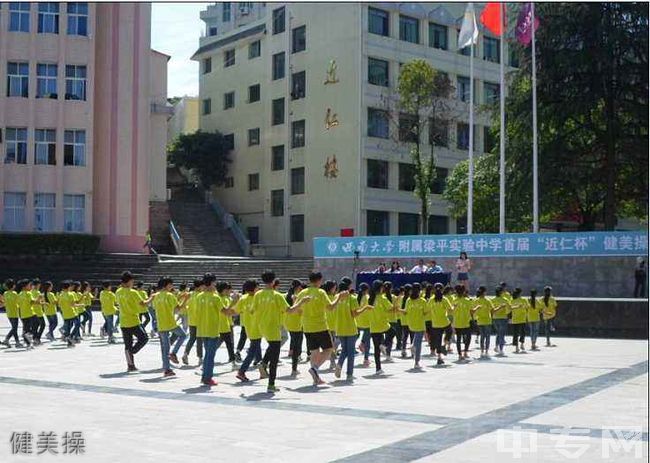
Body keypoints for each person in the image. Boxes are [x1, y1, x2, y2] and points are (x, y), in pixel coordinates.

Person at [255, 270, 309, 393]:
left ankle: (263, 363)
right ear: (273, 281)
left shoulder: (258, 295)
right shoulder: (277, 295)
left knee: (273, 347)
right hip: (274, 327)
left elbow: (253, 310)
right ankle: (271, 384)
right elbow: (290, 310)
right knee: (274, 358)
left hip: (263, 327)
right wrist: (301, 301)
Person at [295, 271, 347, 386]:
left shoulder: (303, 292)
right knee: (329, 350)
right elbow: (331, 308)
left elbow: (298, 309)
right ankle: (315, 368)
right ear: (319, 280)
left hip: (307, 327)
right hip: (320, 326)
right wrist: (339, 297)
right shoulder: (321, 292)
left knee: (314, 352)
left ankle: (316, 377)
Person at [197, 273, 238, 386]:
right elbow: (225, 312)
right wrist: (234, 303)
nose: (215, 284)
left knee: (207, 354)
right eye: (214, 282)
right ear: (211, 283)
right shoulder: (215, 297)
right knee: (210, 355)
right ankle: (208, 377)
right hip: (212, 329)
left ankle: (204, 376)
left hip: (202, 329)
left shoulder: (199, 296)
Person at [115, 271, 153, 372]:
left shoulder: (118, 292)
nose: (133, 283)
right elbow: (144, 304)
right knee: (144, 338)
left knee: (128, 343)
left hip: (123, 321)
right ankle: (131, 351)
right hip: (133, 321)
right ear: (129, 281)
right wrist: (152, 297)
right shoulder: (133, 292)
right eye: (132, 281)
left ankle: (130, 365)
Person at [152, 277, 189, 377]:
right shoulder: (170, 295)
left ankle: (166, 369)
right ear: (166, 285)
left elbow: (155, 307)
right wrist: (186, 299)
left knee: (165, 347)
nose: (172, 286)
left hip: (161, 323)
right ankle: (174, 353)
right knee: (183, 335)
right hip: (170, 322)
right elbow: (178, 309)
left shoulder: (156, 296)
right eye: (171, 284)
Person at [334, 278, 366, 381]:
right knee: (351, 352)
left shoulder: (336, 297)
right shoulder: (352, 298)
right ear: (348, 287)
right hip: (350, 328)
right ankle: (349, 374)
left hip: (340, 328)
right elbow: (354, 314)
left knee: (344, 350)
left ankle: (339, 364)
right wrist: (364, 308)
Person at [362, 280, 391, 375]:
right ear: (380, 288)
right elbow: (390, 308)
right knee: (392, 332)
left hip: (373, 326)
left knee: (376, 348)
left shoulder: (369, 298)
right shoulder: (382, 298)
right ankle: (385, 345)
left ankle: (378, 368)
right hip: (382, 324)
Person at [235, 279, 261, 382]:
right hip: (257, 328)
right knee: (252, 351)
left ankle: (262, 367)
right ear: (255, 288)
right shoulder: (258, 298)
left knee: (256, 347)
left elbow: (235, 311)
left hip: (248, 328)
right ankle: (242, 371)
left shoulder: (243, 298)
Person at [284, 279, 305, 377]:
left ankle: (294, 367)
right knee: (297, 345)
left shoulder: (287, 295)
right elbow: (299, 311)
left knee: (295, 343)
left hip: (289, 322)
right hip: (297, 323)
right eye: (300, 287)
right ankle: (294, 369)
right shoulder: (295, 297)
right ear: (298, 287)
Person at [428, 283, 452, 365]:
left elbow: (428, 309)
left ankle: (439, 357)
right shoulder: (444, 299)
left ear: (434, 289)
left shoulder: (431, 299)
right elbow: (450, 309)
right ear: (442, 289)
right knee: (450, 332)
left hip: (435, 323)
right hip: (444, 321)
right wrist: (454, 307)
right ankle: (445, 344)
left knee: (438, 339)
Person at [182, 279, 205, 365]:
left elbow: (184, 305)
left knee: (192, 338)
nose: (203, 287)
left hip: (191, 320)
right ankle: (200, 358)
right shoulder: (201, 295)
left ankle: (185, 353)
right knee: (199, 339)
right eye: (202, 286)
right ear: (199, 286)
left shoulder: (189, 294)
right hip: (200, 320)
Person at [404, 283, 427, 369]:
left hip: (411, 323)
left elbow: (406, 311)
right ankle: (417, 362)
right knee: (418, 343)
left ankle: (413, 346)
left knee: (416, 338)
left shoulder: (408, 300)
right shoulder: (422, 301)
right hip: (420, 323)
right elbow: (425, 312)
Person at [451, 285, 473, 361]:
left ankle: (460, 355)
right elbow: (471, 311)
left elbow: (452, 311)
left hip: (457, 323)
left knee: (458, 339)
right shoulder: (468, 300)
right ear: (464, 292)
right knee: (468, 337)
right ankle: (465, 352)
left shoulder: (454, 301)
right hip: (466, 322)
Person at [59, 281, 83, 347]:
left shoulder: (61, 295)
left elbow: (60, 305)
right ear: (69, 287)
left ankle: (69, 343)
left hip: (65, 314)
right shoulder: (71, 294)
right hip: (72, 313)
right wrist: (80, 305)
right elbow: (73, 304)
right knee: (77, 324)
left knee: (68, 328)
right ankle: (71, 336)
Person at [0, 279, 22, 348]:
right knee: (14, 328)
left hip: (9, 313)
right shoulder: (14, 293)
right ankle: (7, 339)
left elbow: (4, 302)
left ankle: (17, 342)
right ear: (13, 286)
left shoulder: (5, 293)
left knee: (14, 328)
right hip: (14, 313)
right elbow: (18, 303)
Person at [355, 283, 372, 367]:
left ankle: (360, 345)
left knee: (355, 337)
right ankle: (366, 359)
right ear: (367, 290)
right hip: (367, 322)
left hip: (358, 321)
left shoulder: (356, 298)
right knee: (368, 342)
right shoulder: (368, 298)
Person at [474, 286, 493, 358]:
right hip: (487, 320)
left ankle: (482, 351)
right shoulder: (487, 301)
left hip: (480, 321)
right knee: (487, 337)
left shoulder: (476, 300)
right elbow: (492, 310)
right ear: (484, 292)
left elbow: (473, 310)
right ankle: (486, 351)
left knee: (482, 337)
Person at [491, 287, 511, 355]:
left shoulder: (492, 300)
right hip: (503, 318)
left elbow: (491, 310)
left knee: (498, 333)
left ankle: (496, 346)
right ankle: (501, 349)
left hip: (495, 318)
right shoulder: (505, 300)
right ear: (501, 292)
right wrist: (506, 312)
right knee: (501, 334)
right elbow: (509, 309)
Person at [510, 288, 527, 353]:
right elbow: (527, 307)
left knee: (515, 334)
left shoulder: (512, 300)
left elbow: (510, 308)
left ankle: (516, 347)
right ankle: (522, 344)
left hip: (515, 319)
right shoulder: (523, 300)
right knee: (523, 332)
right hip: (522, 318)